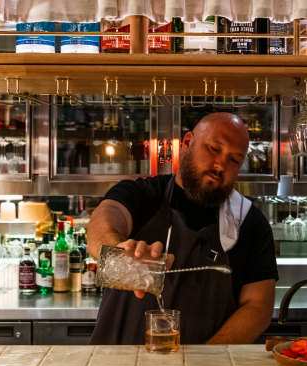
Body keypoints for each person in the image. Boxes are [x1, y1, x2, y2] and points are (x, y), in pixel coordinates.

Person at [87, 112, 278, 345]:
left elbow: (258, 307)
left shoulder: (250, 223)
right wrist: (120, 250)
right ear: (188, 143)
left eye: (234, 160)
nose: (220, 165)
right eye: (214, 149)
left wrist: (204, 363)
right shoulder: (142, 194)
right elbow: (105, 219)